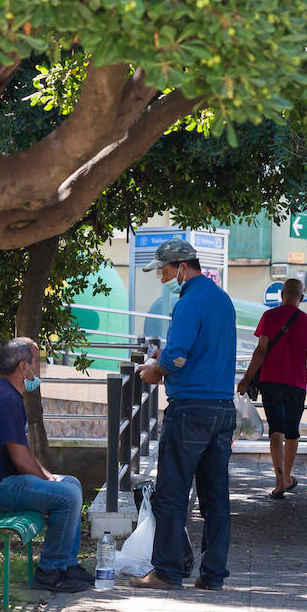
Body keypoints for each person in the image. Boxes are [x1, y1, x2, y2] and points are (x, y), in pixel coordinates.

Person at [131, 238, 237, 591]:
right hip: (222, 409)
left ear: (181, 266)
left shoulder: (189, 301)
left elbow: (177, 356)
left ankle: (166, 572)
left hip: (190, 409)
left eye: (163, 268)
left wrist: (155, 371)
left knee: (172, 493)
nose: (161, 275)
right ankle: (213, 575)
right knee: (215, 496)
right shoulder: (222, 299)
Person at [0, 337, 93, 593]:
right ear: (23, 367)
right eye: (37, 362)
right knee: (66, 496)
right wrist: (50, 483)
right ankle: (51, 570)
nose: (40, 369)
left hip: (1, 483)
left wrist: (50, 478)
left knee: (70, 484)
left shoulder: (6, 394)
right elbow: (20, 459)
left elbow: (24, 455)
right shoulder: (5, 399)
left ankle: (66, 563)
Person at [237, 277, 307, 498]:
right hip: (296, 384)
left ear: (282, 295)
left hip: (271, 381)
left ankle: (278, 482)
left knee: (276, 430)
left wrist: (246, 378)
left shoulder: (269, 317)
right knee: (292, 431)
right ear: (301, 298)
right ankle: (287, 477)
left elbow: (260, 351)